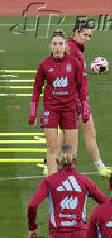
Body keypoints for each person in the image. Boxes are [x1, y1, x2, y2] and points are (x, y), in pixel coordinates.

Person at [29, 29, 90, 176]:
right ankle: (52, 183)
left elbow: (81, 87)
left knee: (70, 150)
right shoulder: (44, 65)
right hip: (51, 109)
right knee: (52, 147)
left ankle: (67, 180)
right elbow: (37, 88)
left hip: (69, 109)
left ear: (65, 46)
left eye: (60, 44)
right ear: (50, 46)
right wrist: (33, 111)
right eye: (54, 44)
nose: (57, 47)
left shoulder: (74, 63)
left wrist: (84, 108)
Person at [64, 20, 112, 178]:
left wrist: (85, 95)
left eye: (90, 35)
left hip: (80, 100)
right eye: (85, 34)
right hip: (73, 101)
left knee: (89, 132)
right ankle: (55, 165)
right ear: (75, 32)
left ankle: (100, 167)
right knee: (69, 137)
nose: (87, 38)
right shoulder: (71, 49)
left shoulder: (77, 48)